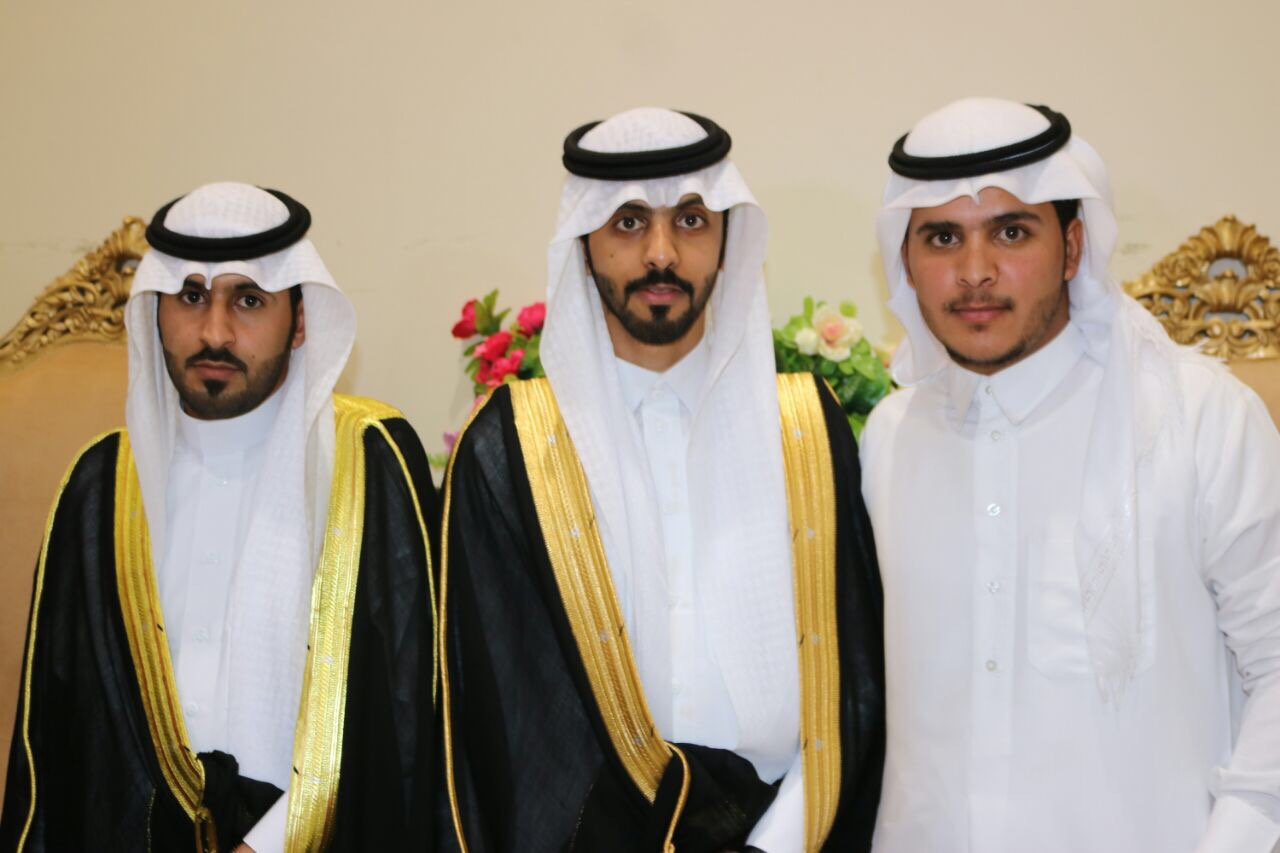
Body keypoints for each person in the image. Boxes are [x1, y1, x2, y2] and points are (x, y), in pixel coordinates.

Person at [438, 107, 884, 853]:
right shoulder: (513, 448)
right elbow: (500, 713)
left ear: (727, 241)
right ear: (584, 246)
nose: (661, 253)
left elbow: (855, 680)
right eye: (628, 222)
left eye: (691, 220)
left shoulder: (806, 429)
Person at [860, 97, 1280, 852]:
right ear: (906, 259)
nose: (975, 272)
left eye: (1011, 232)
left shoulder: (1199, 418)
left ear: (1073, 246)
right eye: (943, 237)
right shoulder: (889, 438)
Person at [1, 182, 440, 852]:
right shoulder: (100, 484)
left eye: (249, 300)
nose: (214, 332)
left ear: (299, 321)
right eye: (190, 297)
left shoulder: (367, 460)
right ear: (155, 312)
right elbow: (57, 740)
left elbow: (406, 706)